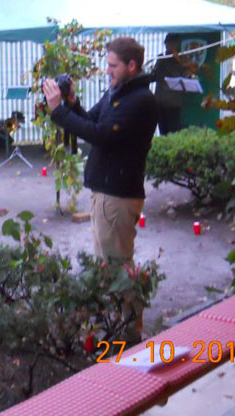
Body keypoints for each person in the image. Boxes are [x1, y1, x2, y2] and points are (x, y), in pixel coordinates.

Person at [42, 37, 158, 263]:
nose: (107, 71)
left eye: (113, 66)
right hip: (107, 194)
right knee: (106, 264)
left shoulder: (140, 100)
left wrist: (58, 111)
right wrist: (72, 103)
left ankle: (127, 289)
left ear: (131, 66)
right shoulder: (118, 93)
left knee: (115, 267)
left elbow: (101, 136)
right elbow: (91, 121)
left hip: (117, 196)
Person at [152, 33, 195, 135]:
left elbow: (184, 76)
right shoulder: (161, 58)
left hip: (174, 102)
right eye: (167, 44)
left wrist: (179, 61)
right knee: (163, 131)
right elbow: (155, 76)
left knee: (174, 130)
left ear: (176, 44)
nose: (168, 46)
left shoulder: (182, 59)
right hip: (160, 101)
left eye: (172, 44)